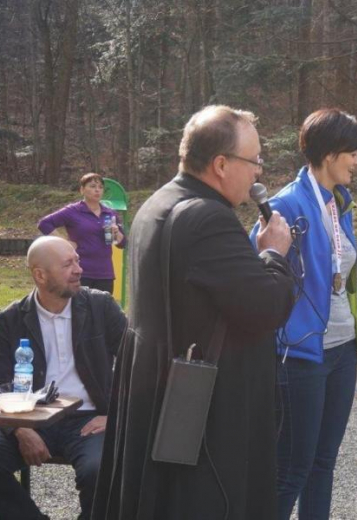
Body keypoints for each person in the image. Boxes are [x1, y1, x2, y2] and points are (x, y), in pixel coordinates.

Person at [92, 105, 295, 520]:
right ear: (221, 164)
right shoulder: (208, 219)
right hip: (208, 411)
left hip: (161, 392)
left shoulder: (156, 203)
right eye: (254, 160)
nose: (258, 172)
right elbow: (267, 307)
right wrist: (275, 253)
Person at [249, 108, 357, 520]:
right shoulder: (285, 205)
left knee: (323, 464)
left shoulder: (339, 202)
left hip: (341, 348)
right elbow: (256, 264)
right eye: (353, 152)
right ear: (331, 152)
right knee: (291, 471)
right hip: (299, 353)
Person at [0, 236, 127, 520]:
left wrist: (114, 415)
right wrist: (19, 429)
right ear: (40, 275)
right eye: (68, 264)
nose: (79, 269)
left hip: (89, 420)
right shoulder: (11, 318)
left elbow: (138, 364)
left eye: (77, 260)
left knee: (101, 471)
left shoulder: (100, 307)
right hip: (30, 418)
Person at [38, 173, 126, 294]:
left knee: (102, 311)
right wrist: (65, 243)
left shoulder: (110, 213)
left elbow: (122, 244)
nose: (97, 190)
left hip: (105, 273)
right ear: (82, 190)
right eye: (92, 186)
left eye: (100, 187)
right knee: (80, 310)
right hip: (80, 271)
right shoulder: (73, 211)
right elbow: (44, 224)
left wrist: (117, 234)